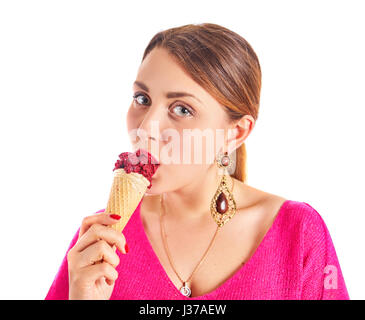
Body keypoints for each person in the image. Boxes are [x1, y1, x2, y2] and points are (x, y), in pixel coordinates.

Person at [45, 23, 350, 300]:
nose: (147, 127)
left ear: (235, 132)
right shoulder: (99, 240)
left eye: (182, 110)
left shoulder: (299, 233)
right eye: (142, 99)